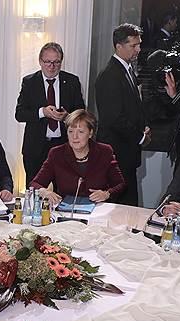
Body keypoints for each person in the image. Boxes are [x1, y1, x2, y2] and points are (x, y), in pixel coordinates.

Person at [95, 23, 150, 206]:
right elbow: (113, 118)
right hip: (116, 153)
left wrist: (143, 126)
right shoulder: (110, 75)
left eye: (139, 44)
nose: (138, 50)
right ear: (119, 46)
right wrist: (140, 136)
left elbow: (133, 107)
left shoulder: (127, 70)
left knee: (128, 205)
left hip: (126, 152)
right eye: (133, 45)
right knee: (119, 206)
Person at [15, 43, 86, 183]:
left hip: (63, 145)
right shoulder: (30, 82)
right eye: (48, 62)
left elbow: (81, 113)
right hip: (35, 147)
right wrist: (43, 112)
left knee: (65, 188)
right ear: (40, 61)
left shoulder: (72, 81)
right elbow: (20, 114)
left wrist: (67, 117)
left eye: (56, 62)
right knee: (34, 189)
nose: (52, 66)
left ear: (61, 62)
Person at [30, 109, 125, 205]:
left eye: (80, 132)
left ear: (90, 133)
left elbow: (120, 184)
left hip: (98, 209)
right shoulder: (56, 154)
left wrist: (106, 194)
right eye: (71, 131)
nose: (74, 137)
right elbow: (34, 184)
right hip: (66, 209)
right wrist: (44, 192)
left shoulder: (104, 151)